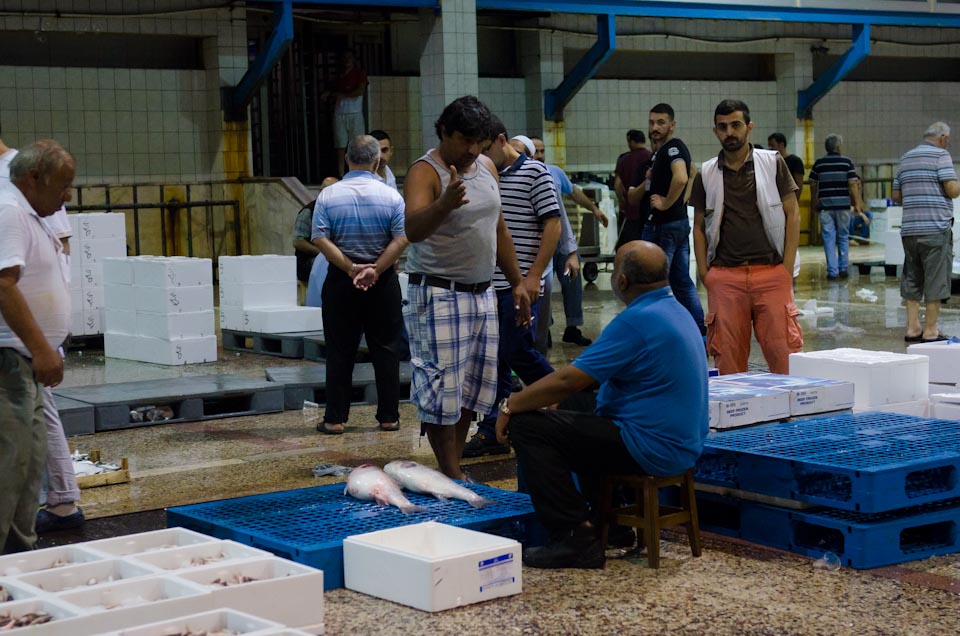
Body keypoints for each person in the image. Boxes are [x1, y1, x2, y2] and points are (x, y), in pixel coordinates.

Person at [494, 241, 708, 569]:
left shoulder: (637, 321)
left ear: (621, 281)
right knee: (578, 403)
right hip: (683, 443)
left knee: (529, 426)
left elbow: (569, 379)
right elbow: (584, 379)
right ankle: (615, 523)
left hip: (650, 448)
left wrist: (512, 404)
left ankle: (574, 537)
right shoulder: (676, 309)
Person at [403, 96, 529, 479]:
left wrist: (518, 281)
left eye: (479, 141)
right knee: (443, 390)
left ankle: (452, 467)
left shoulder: (487, 166)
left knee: (473, 390)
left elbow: (499, 228)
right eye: (464, 140)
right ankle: (451, 471)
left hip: (482, 292)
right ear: (443, 132)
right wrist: (443, 205)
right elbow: (412, 229)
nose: (472, 149)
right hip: (439, 294)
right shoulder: (425, 172)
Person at [460, 122, 561, 459]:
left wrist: (533, 277)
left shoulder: (535, 172)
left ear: (501, 141)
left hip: (520, 286)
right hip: (490, 284)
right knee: (495, 359)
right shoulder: (484, 174)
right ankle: (493, 428)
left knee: (517, 351)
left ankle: (570, 395)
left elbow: (553, 224)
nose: (478, 155)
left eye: (484, 147)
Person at [0, 135, 83, 535]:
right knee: (12, 467)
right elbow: (3, 284)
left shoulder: (31, 212)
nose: (68, 196)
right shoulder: (9, 210)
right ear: (33, 178)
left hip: (31, 358)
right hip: (14, 357)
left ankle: (20, 553)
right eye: (63, 185)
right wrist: (40, 347)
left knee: (28, 468)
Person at [690, 99, 803, 375]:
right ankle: (734, 417)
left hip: (771, 273)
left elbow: (793, 214)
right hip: (726, 278)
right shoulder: (705, 173)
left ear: (749, 127)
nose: (730, 132)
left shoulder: (772, 162)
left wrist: (786, 269)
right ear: (715, 131)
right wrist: (706, 273)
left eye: (736, 125)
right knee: (728, 361)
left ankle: (792, 418)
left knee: (784, 356)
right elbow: (698, 225)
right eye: (723, 127)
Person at [311, 136, 407, 434]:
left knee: (340, 350)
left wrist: (352, 268)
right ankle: (389, 417)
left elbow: (319, 238)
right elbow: (402, 238)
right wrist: (376, 269)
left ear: (346, 159)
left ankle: (336, 419)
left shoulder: (328, 195)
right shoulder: (392, 196)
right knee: (386, 349)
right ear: (377, 161)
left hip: (342, 281)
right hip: (383, 282)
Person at [627, 103, 704, 334]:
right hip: (675, 224)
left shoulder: (672, 147)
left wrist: (665, 202)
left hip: (664, 225)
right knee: (680, 280)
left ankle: (657, 331)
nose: (655, 127)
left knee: (653, 281)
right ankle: (698, 333)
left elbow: (681, 177)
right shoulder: (660, 154)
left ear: (672, 125)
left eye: (661, 122)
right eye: (651, 122)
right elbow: (689, 174)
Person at [528, 135, 606, 347]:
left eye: (543, 151)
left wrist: (594, 208)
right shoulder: (522, 175)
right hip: (537, 241)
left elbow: (573, 193)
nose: (540, 155)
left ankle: (573, 327)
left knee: (572, 281)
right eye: (536, 150)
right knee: (543, 286)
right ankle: (546, 328)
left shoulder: (554, 172)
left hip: (560, 239)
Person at [894, 122, 960, 343]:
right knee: (936, 279)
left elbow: (896, 196)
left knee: (912, 278)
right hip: (935, 228)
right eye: (948, 138)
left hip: (910, 230)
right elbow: (952, 190)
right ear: (942, 137)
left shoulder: (905, 158)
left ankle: (913, 328)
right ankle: (931, 331)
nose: (948, 142)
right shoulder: (941, 156)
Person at [809, 134, 865, 279]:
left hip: (825, 207)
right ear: (838, 147)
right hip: (843, 206)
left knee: (828, 238)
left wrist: (814, 202)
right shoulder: (847, 162)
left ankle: (832, 271)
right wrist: (858, 204)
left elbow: (813, 184)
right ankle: (843, 268)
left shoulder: (819, 163)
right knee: (843, 237)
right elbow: (853, 183)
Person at [296, 176, 337, 306]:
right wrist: (321, 252)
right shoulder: (309, 211)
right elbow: (298, 241)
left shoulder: (337, 210)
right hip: (309, 260)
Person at [331, 50, 368, 177]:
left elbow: (360, 91)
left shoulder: (359, 74)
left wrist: (342, 95)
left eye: (349, 58)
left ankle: (357, 174)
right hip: (340, 112)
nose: (347, 60)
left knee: (358, 146)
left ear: (353, 59)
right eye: (345, 58)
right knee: (340, 146)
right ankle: (341, 175)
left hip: (355, 112)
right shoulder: (339, 75)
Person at [614, 130, 653, 245]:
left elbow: (618, 185)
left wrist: (623, 202)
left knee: (629, 248)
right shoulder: (651, 157)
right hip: (648, 212)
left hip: (630, 213)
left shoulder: (624, 159)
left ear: (630, 141)